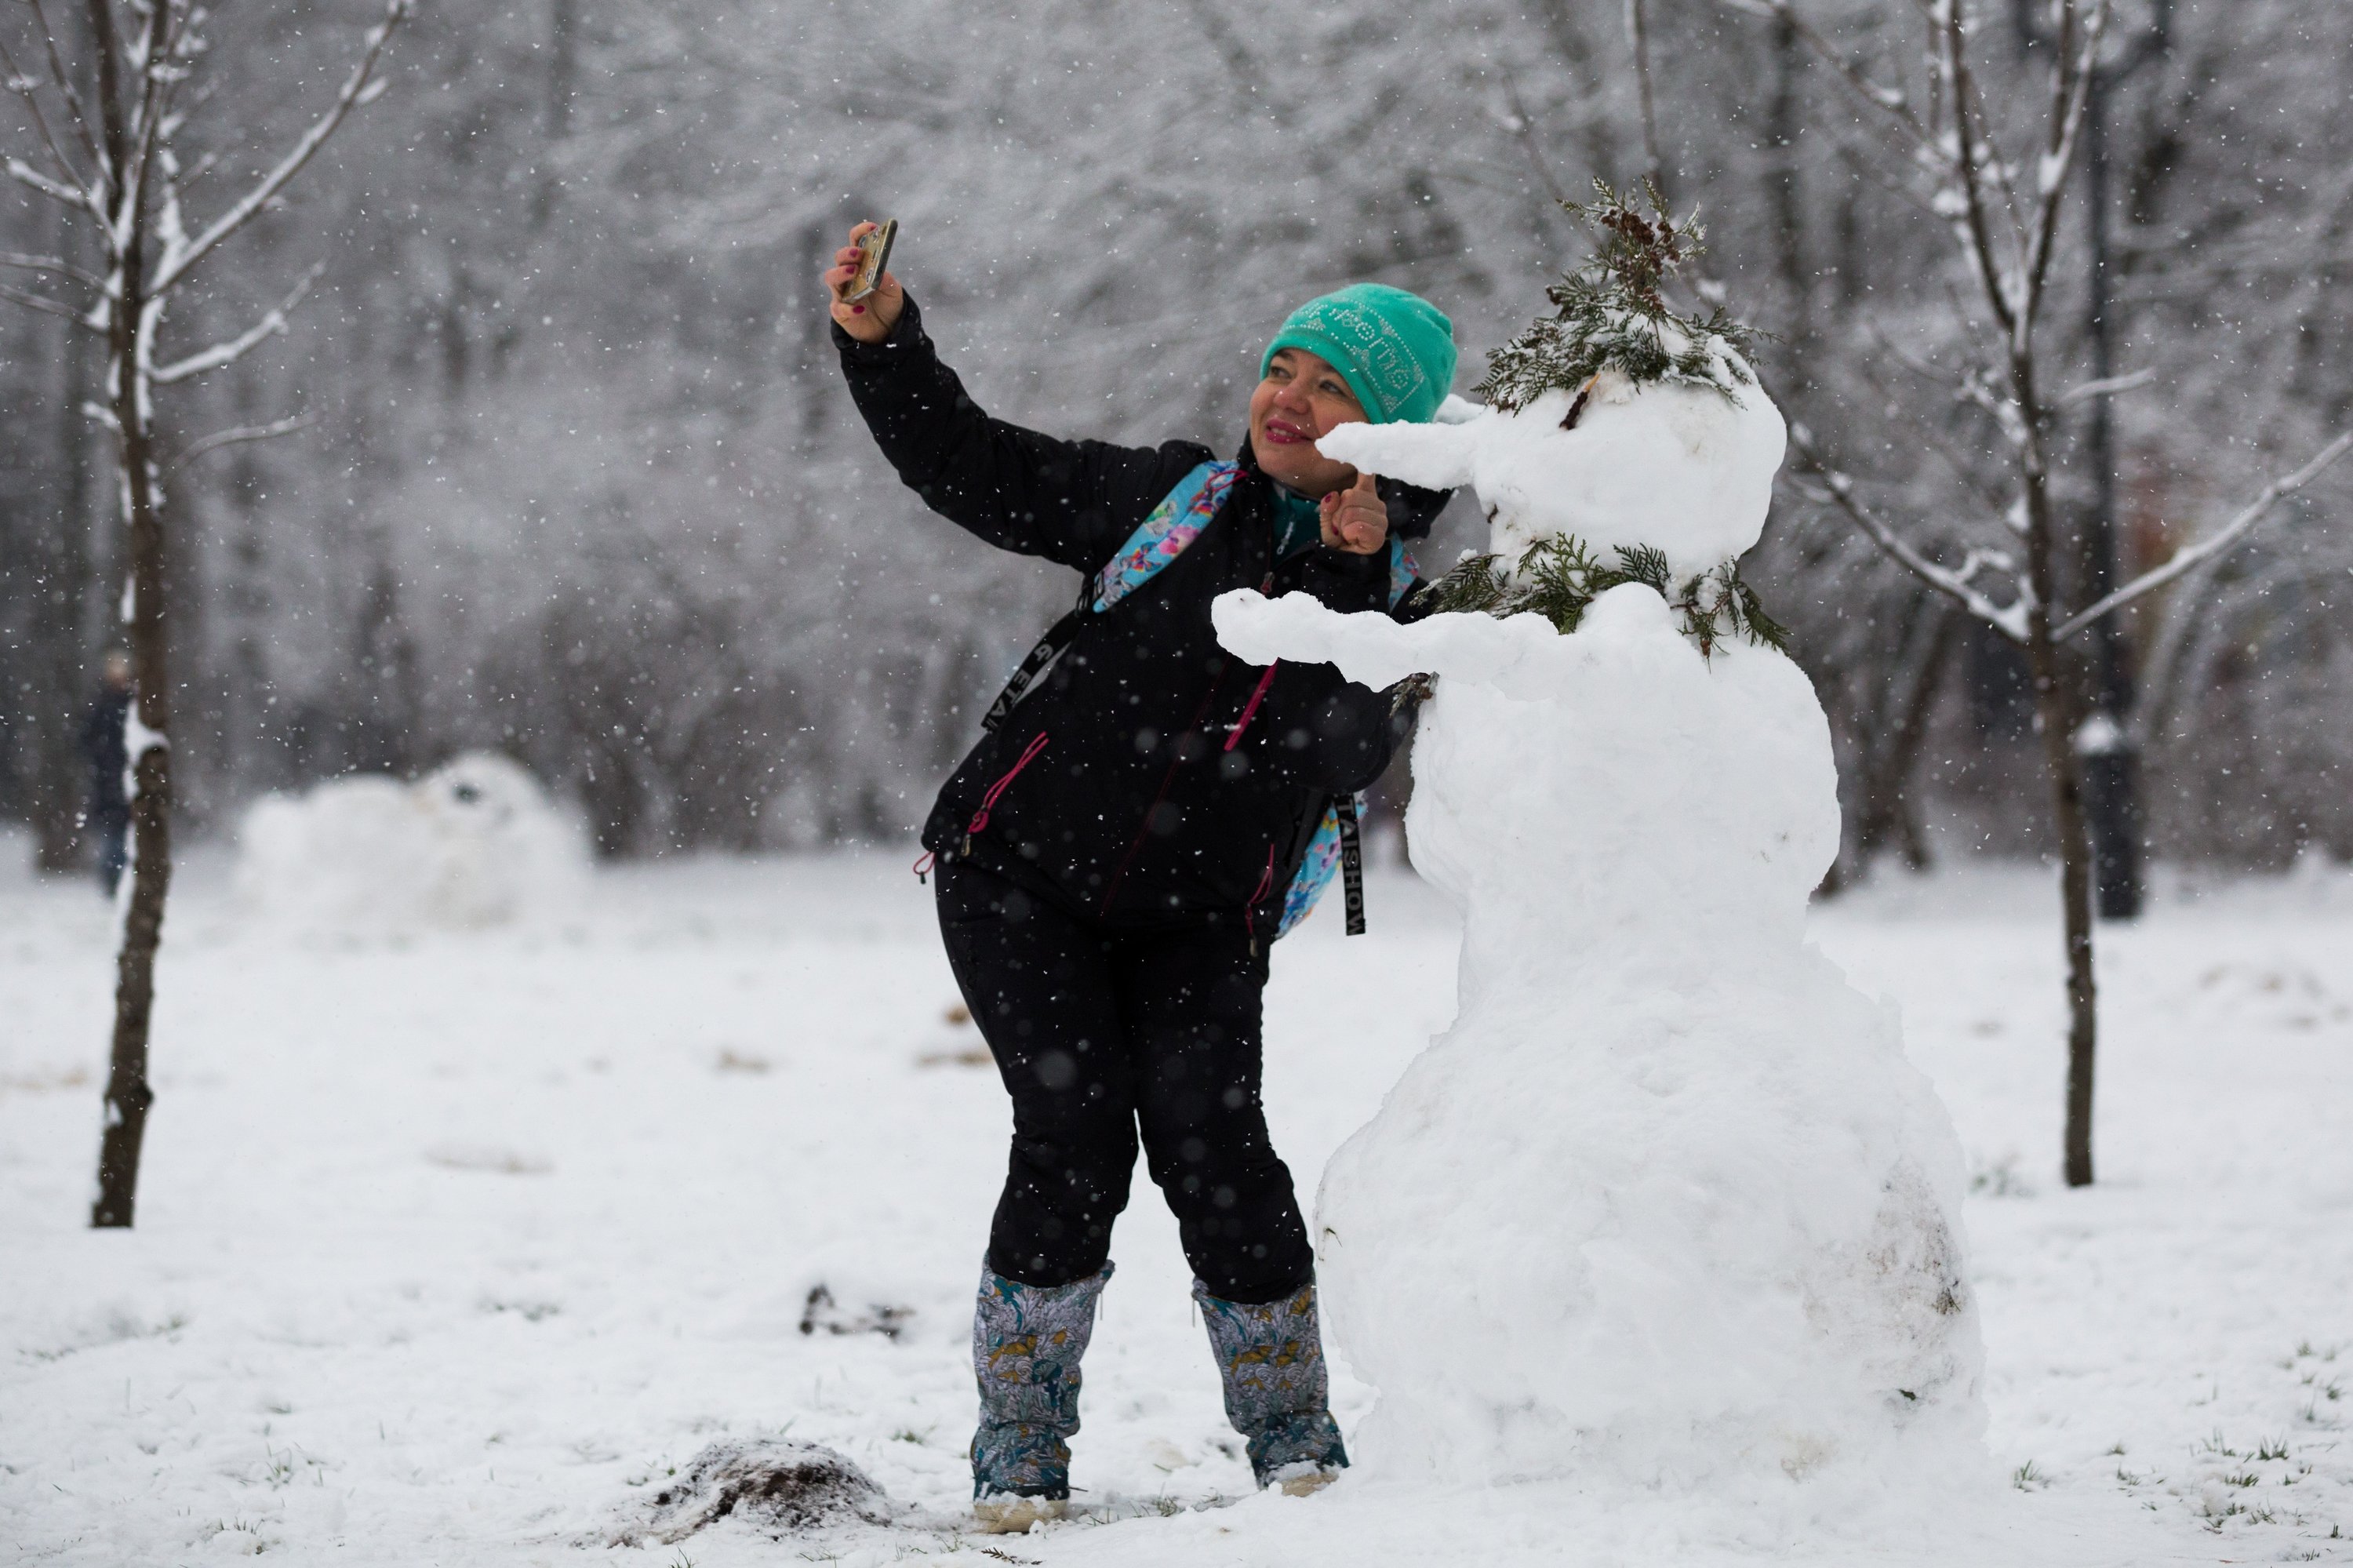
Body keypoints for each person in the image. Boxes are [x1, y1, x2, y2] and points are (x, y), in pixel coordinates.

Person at [826, 224, 1458, 1530]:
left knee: (1217, 1145)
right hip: (1017, 876)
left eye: (1331, 386)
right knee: (1073, 1129)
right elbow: (975, 466)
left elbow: (1341, 752)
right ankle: (1020, 1446)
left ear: (1388, 433)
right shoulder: (1167, 502)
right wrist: (887, 341)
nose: (1286, 396)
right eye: (1281, 366)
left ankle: (1295, 1443)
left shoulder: (1388, 601)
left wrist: (1346, 579)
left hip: (1200, 928)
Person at [81, 649, 133, 895]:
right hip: (107, 783)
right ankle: (113, 885)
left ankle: (121, 884)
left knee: (122, 838)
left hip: (127, 782)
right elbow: (86, 740)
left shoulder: (133, 703)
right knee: (112, 839)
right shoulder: (101, 704)